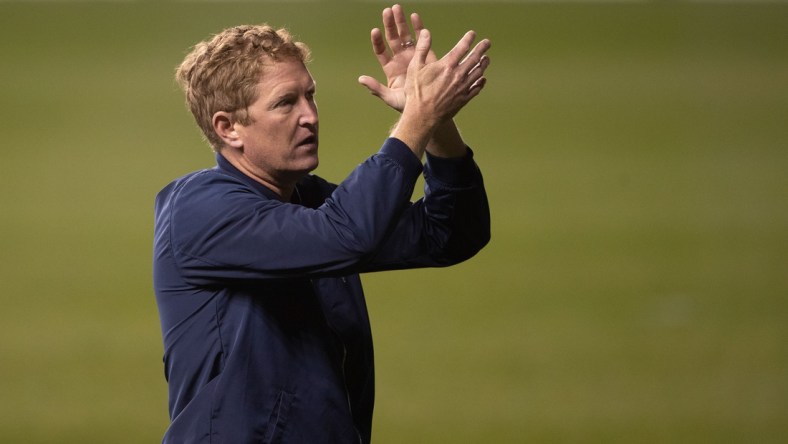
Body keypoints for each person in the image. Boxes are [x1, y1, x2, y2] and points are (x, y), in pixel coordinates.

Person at [153, 5, 491, 443]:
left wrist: (436, 120)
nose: (310, 115)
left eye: (309, 95)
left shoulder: (306, 201)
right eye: (285, 103)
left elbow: (451, 234)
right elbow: (347, 233)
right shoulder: (199, 210)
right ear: (229, 127)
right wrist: (414, 122)